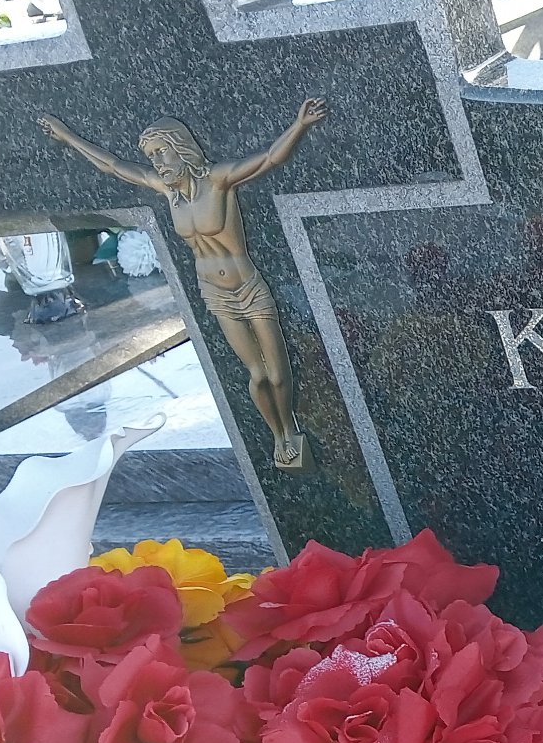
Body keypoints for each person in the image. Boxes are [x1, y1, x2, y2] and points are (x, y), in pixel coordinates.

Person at [38, 99, 327, 471]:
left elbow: (270, 158)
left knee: (276, 373)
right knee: (256, 375)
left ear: (182, 148)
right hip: (216, 294)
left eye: (162, 152)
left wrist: (300, 125)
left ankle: (290, 428)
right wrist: (66, 136)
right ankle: (278, 437)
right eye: (151, 156)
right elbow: (112, 165)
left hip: (249, 288)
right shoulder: (167, 191)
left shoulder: (218, 180)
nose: (157, 163)